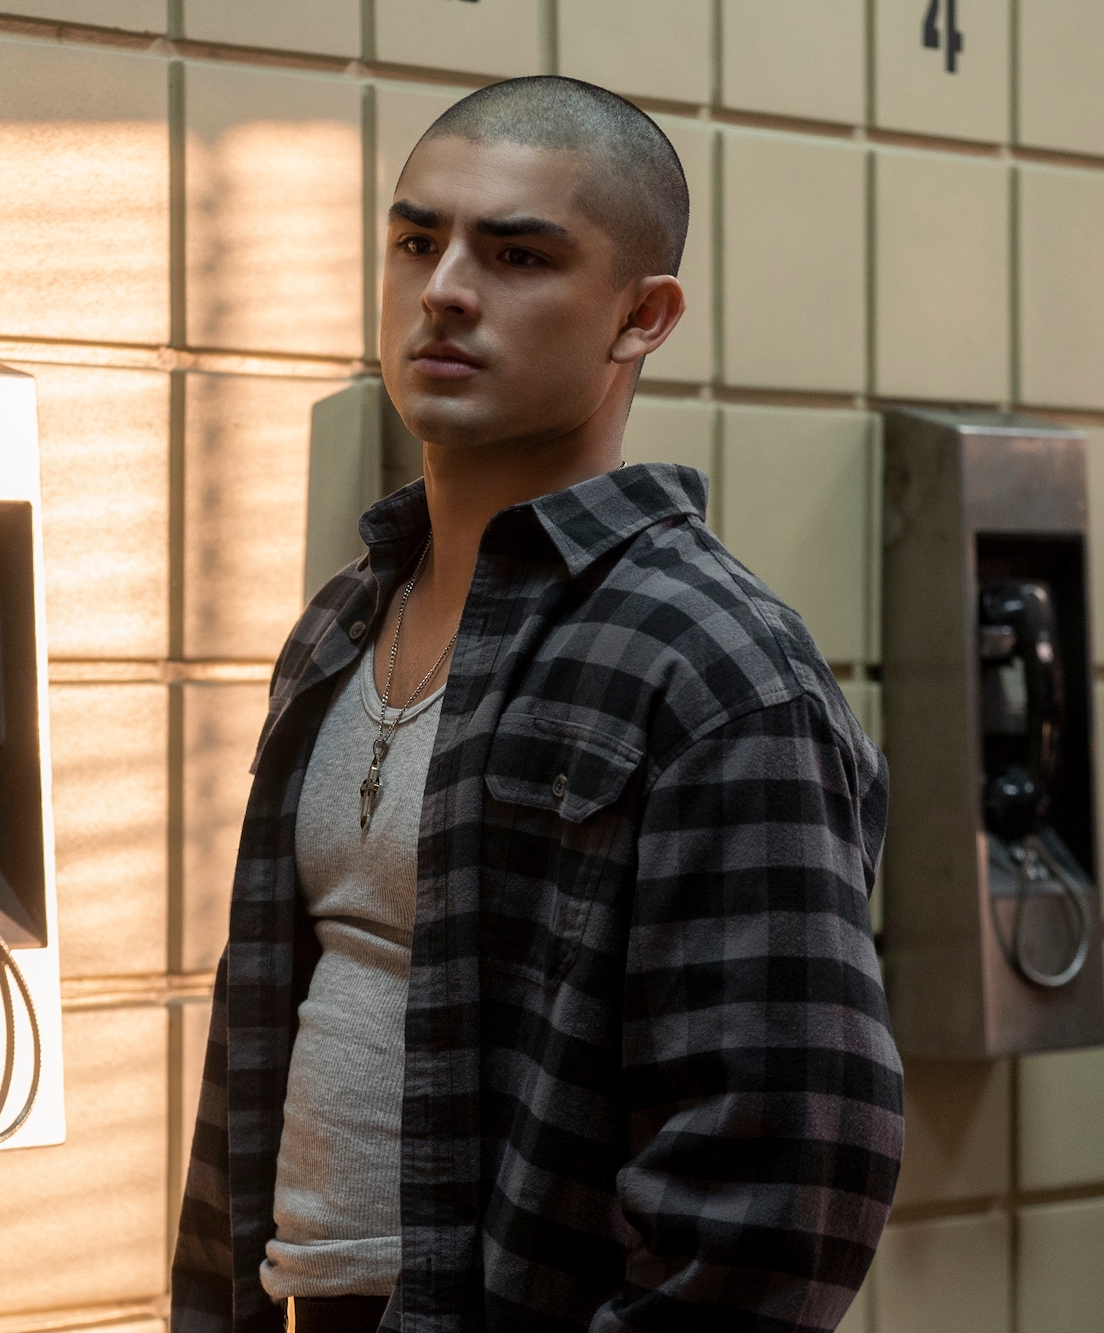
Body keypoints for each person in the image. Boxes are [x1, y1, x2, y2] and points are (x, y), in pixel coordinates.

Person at [172, 76, 902, 1333]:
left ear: (640, 316)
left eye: (515, 255)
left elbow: (788, 1168)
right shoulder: (342, 622)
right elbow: (259, 1045)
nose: (444, 288)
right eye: (416, 240)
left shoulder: (713, 665)